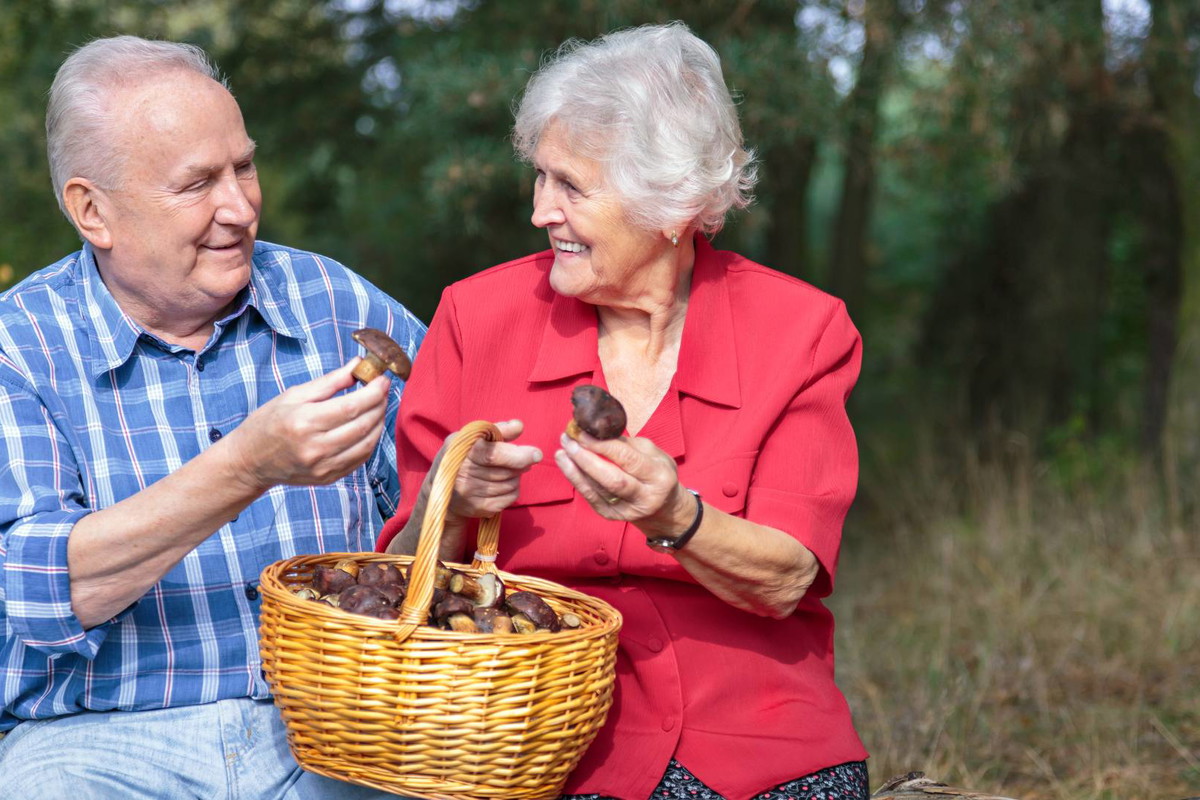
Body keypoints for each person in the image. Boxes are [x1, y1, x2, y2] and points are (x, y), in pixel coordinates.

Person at [378, 21, 870, 800]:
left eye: (571, 186)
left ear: (673, 205)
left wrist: (678, 516)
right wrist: (456, 500)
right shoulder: (476, 319)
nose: (541, 210)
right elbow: (394, 580)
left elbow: (785, 578)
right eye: (539, 178)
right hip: (524, 741)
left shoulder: (801, 333)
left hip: (753, 740)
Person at [0, 36, 425, 799]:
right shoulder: (17, 347)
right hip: (95, 743)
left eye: (244, 166)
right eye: (197, 183)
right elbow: (38, 593)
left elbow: (439, 525)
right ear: (91, 210)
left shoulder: (338, 304)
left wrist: (474, 481)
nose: (241, 206)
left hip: (342, 725)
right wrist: (248, 465)